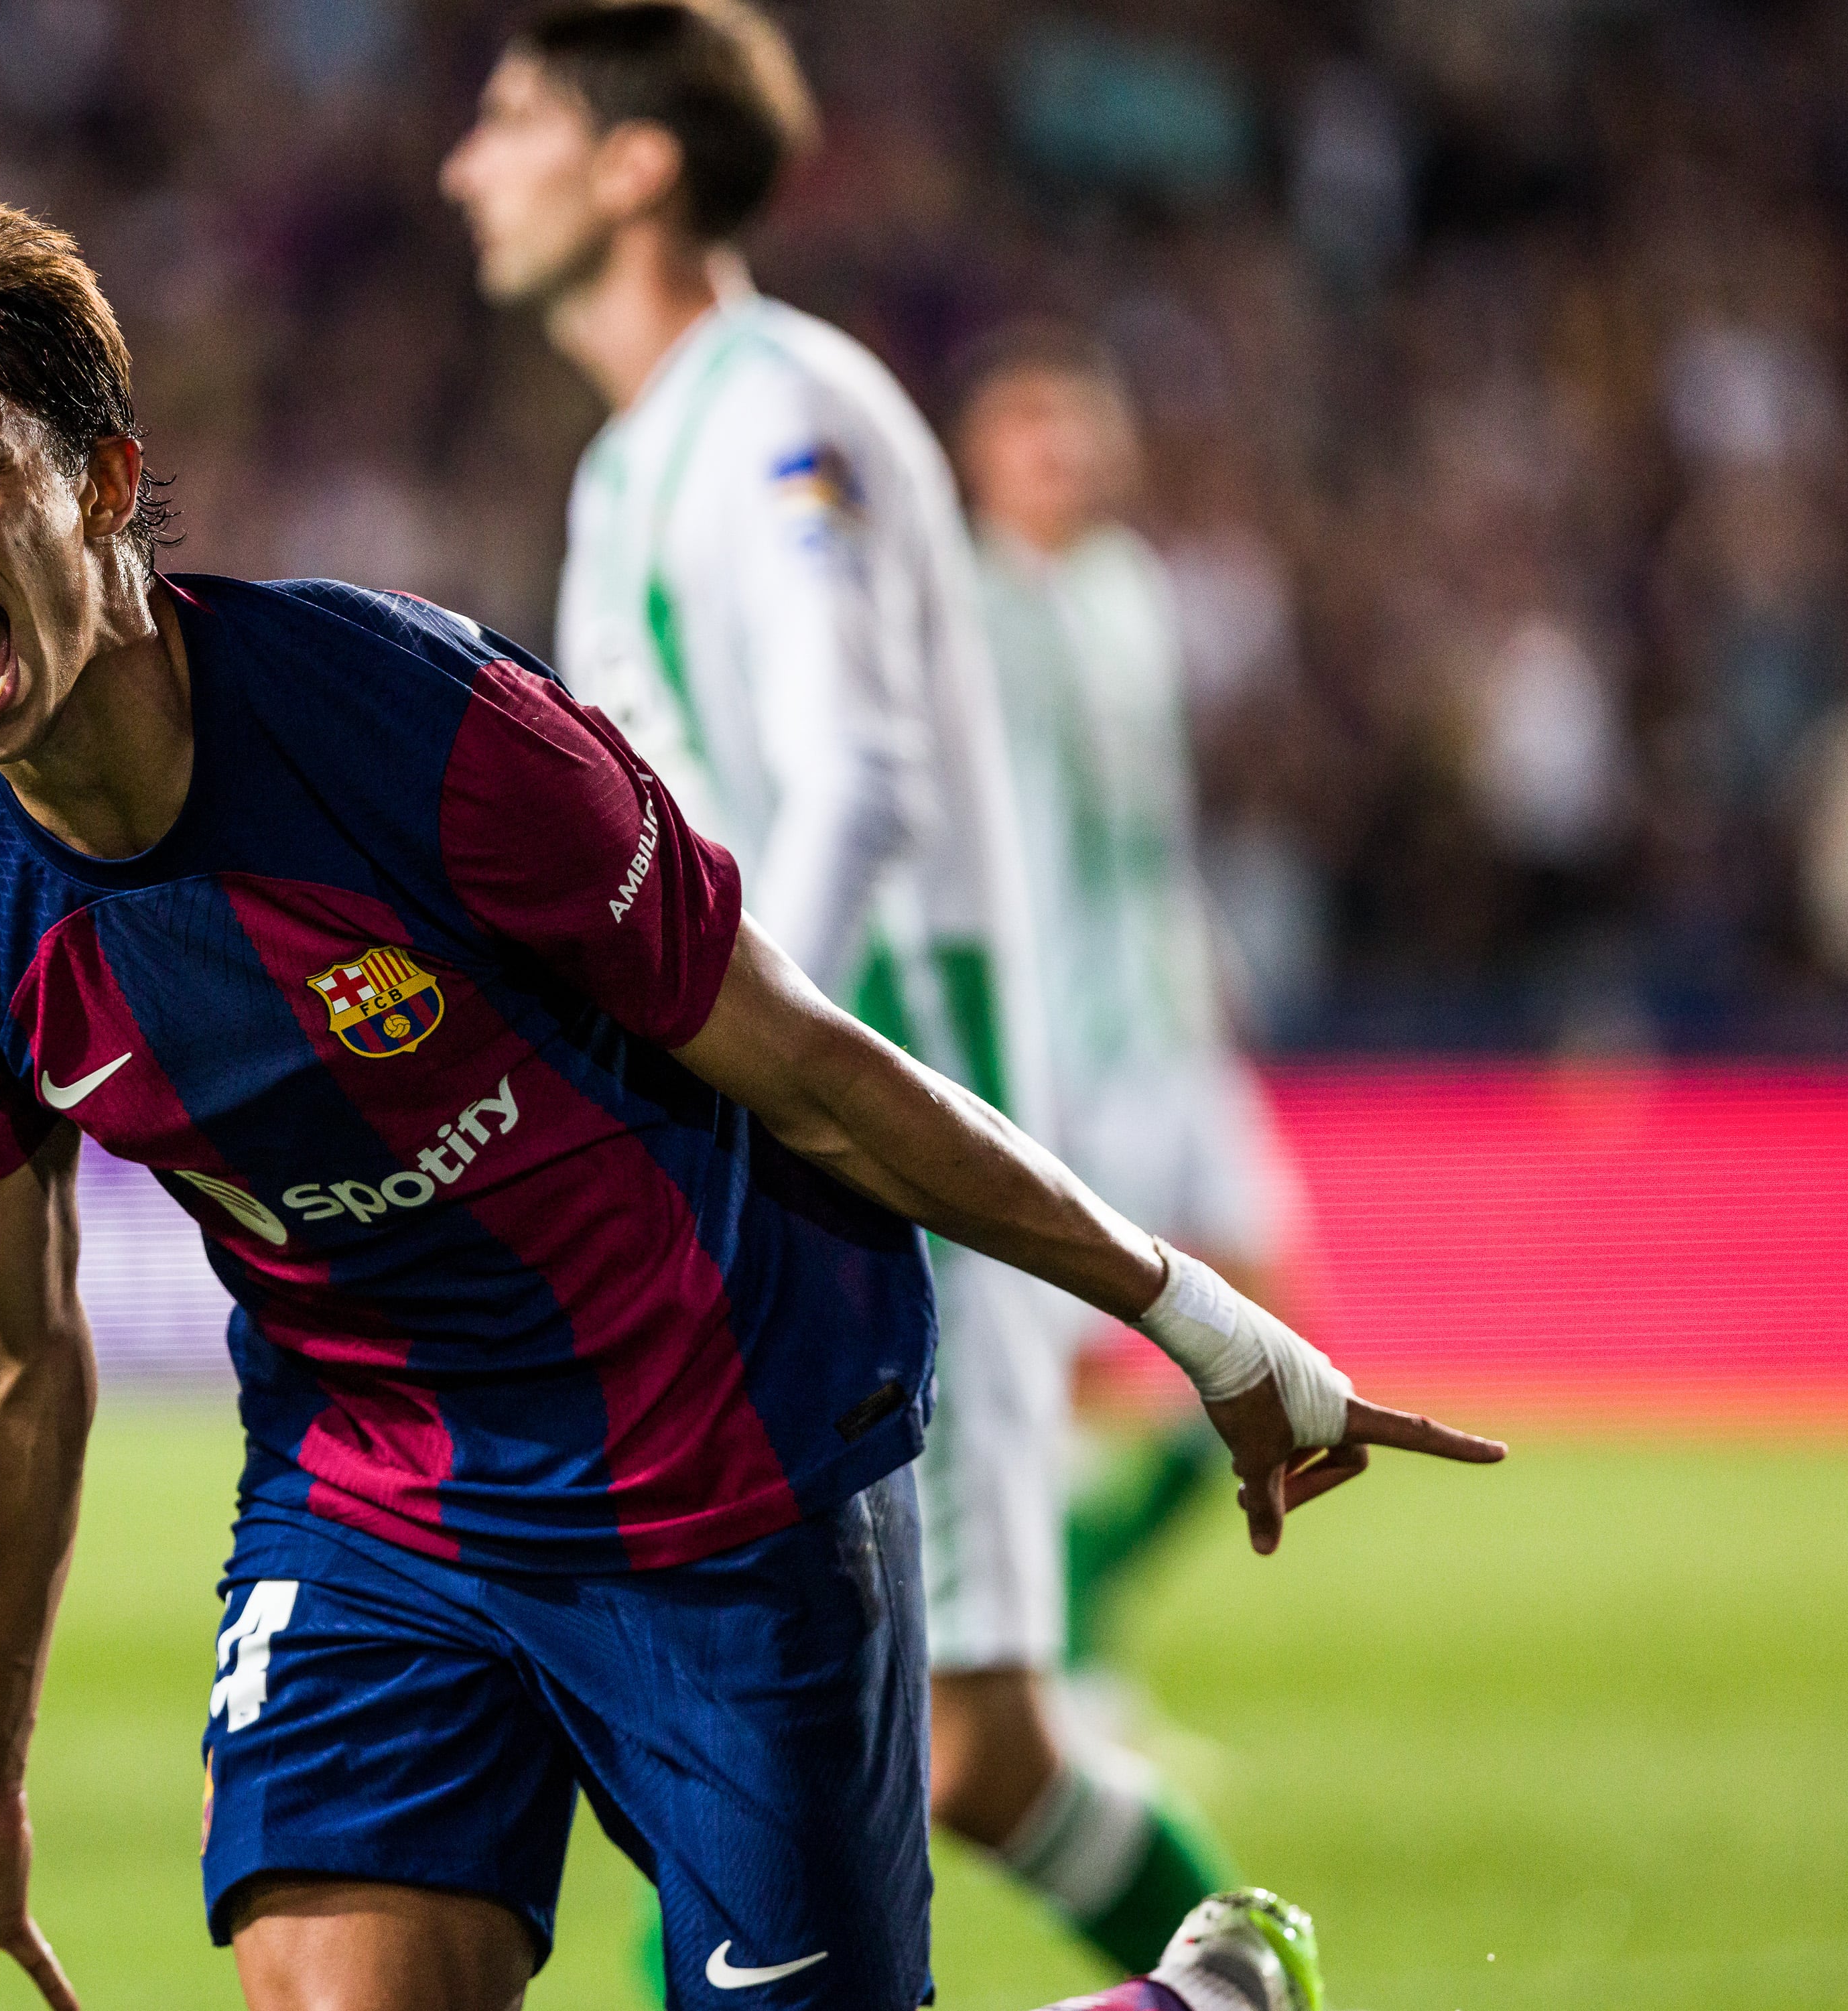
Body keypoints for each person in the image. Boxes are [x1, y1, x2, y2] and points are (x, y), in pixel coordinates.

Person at [0, 196, 1499, 2011]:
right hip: (378, 1506)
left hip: (716, 1466)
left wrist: (1191, 1312)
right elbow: (4, 1345)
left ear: (98, 483)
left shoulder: (417, 728)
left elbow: (801, 1061)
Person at [438, 2, 1236, 1982]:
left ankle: (1230, 1978)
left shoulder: (778, 416)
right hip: (783, 1153)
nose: (467, 164)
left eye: (513, 121)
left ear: (635, 166)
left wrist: (720, 1079)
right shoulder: (642, 458)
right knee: (894, 1741)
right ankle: (1227, 1976)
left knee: (849, 1733)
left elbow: (854, 775)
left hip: (869, 1154)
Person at [950, 327, 1308, 1689]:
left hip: (1164, 1020)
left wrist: (1204, 955)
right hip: (1045, 1039)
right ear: (982, 458)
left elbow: (1152, 814)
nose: (1061, 456)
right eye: (1031, 430)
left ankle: (1090, 1580)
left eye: (1078, 429)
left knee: (1283, 1336)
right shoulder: (959, 606)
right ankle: (1042, 1648)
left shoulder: (1129, 589)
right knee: (1055, 1362)